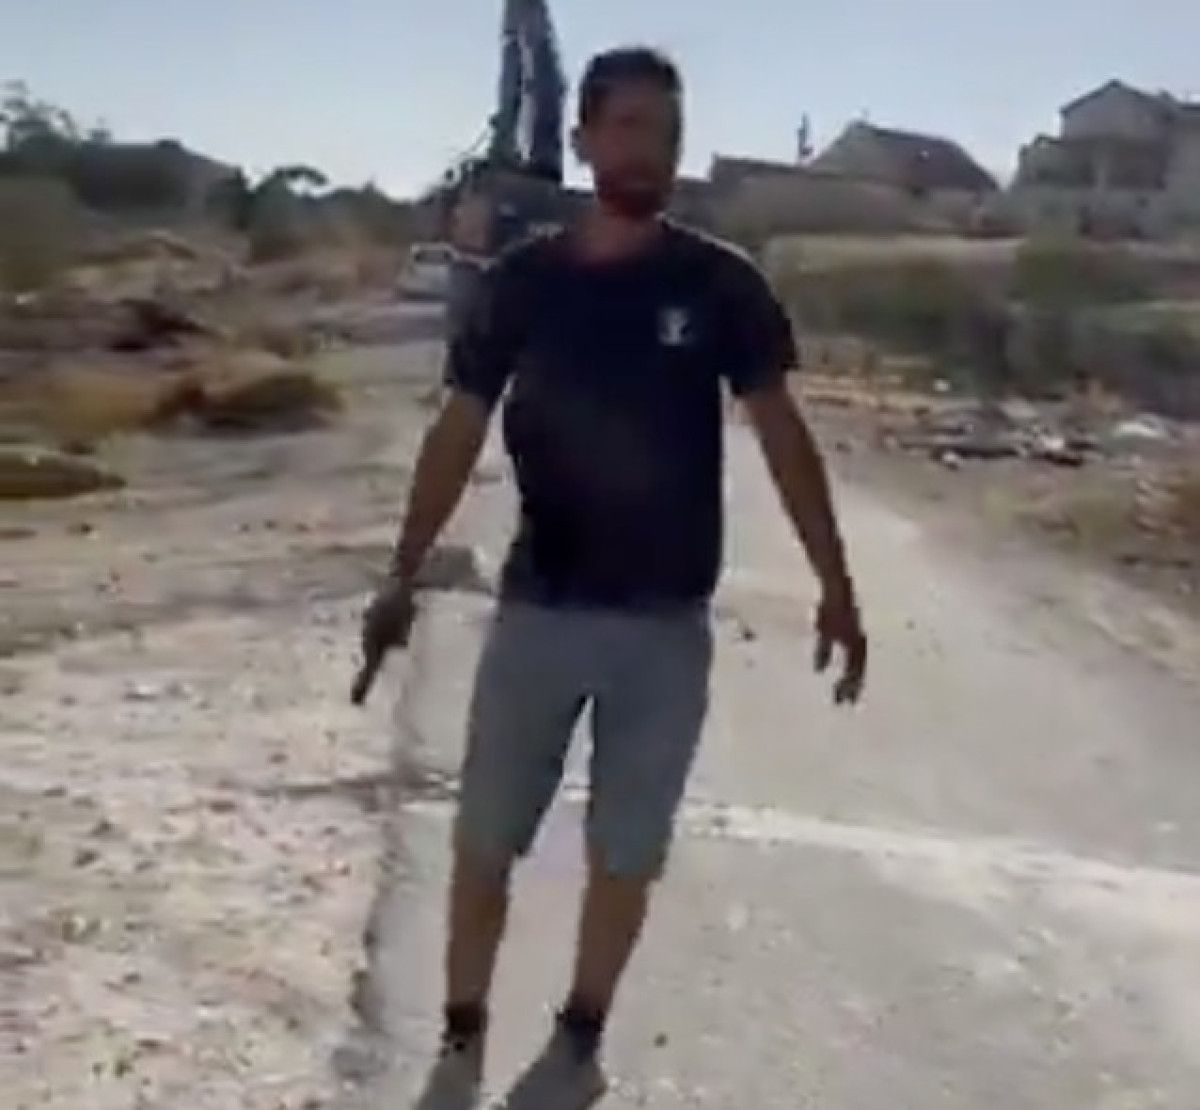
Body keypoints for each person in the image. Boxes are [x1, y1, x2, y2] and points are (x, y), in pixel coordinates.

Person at [361, 46, 867, 1110]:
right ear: (584, 139)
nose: (649, 150)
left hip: (665, 629)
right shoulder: (524, 284)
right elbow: (457, 430)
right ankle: (459, 1044)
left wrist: (837, 584)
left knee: (626, 853)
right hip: (538, 612)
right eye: (629, 126)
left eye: (665, 132)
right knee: (485, 841)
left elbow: (783, 435)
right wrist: (401, 572)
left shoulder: (721, 286)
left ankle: (577, 1046)